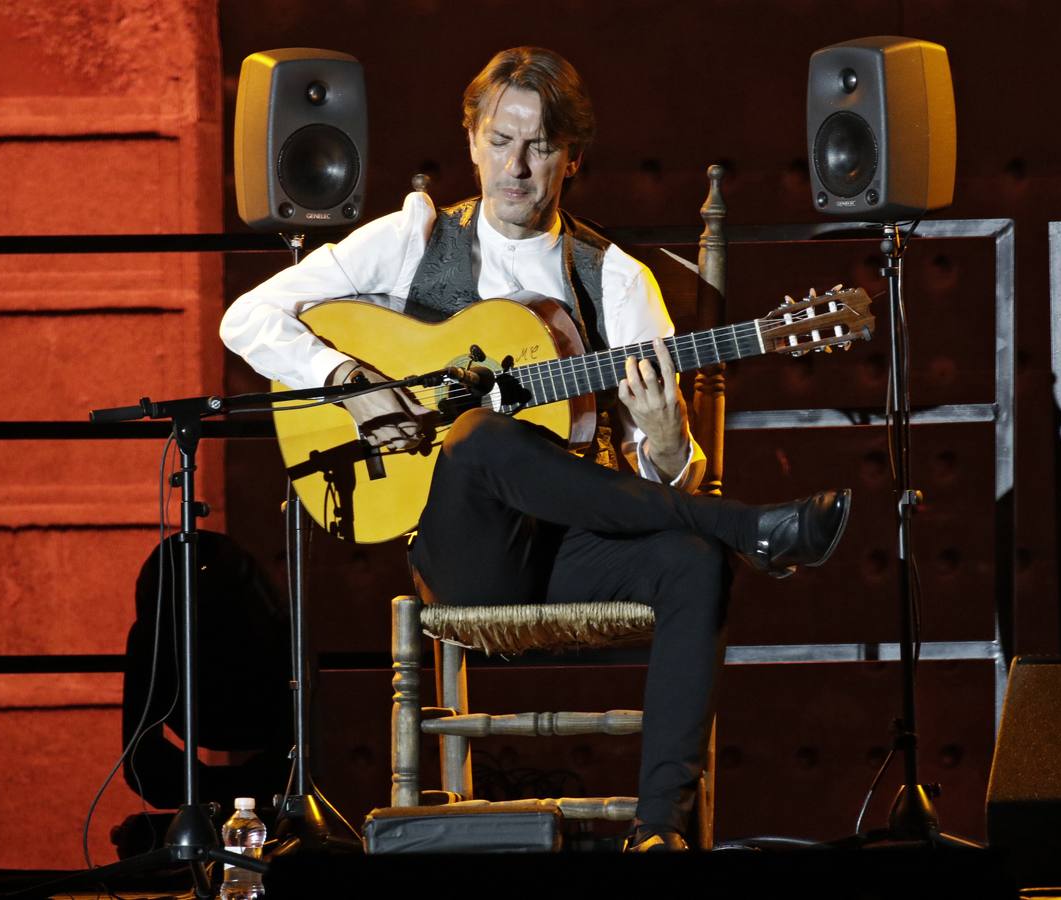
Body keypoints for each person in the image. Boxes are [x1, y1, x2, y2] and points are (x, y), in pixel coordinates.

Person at [221, 46, 851, 851]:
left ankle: (658, 835)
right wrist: (347, 374)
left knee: (694, 562)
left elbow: (659, 461)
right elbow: (244, 319)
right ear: (472, 142)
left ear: (571, 156)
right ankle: (744, 524)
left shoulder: (614, 280)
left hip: (567, 548)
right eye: (501, 140)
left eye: (541, 146)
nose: (516, 167)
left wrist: (662, 437)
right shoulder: (414, 238)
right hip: (465, 558)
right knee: (482, 435)